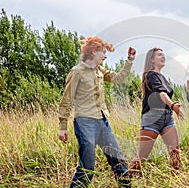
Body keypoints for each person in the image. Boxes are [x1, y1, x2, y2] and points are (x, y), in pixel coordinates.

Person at [58, 36, 136, 187]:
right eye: (104, 52)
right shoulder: (77, 72)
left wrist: (129, 61)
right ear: (93, 52)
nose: (106, 56)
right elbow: (66, 99)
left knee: (119, 161)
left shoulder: (100, 70)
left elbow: (118, 78)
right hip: (84, 122)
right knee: (87, 167)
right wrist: (63, 126)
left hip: (102, 121)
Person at [129, 47, 184, 177]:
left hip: (167, 118)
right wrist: (173, 105)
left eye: (163, 55)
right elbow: (161, 93)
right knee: (141, 157)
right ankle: (124, 179)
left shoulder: (163, 77)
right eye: (159, 55)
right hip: (152, 118)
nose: (163, 57)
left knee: (175, 153)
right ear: (152, 60)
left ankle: (176, 182)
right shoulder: (150, 75)